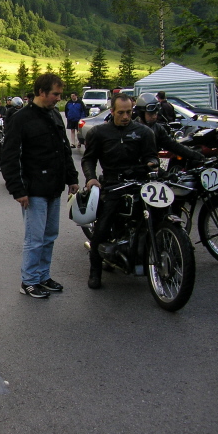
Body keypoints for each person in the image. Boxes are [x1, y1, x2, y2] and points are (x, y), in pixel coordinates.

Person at [0, 73, 79, 298]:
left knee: (50, 235)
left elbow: (64, 149)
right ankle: (29, 281)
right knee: (35, 239)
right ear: (41, 92)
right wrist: (18, 189)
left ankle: (43, 276)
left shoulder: (54, 115)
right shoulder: (21, 118)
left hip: (54, 187)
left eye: (60, 94)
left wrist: (71, 178)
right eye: (55, 94)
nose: (58, 98)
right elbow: (9, 156)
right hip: (33, 190)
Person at [81, 93, 159, 290]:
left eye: (129, 112)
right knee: (102, 227)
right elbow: (88, 159)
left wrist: (153, 163)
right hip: (113, 184)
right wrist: (91, 178)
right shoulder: (99, 133)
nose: (126, 116)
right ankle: (95, 271)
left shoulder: (144, 132)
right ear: (113, 111)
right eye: (121, 112)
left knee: (160, 213)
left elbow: (152, 155)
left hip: (140, 182)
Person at [134, 93, 205, 164]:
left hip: (152, 167)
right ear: (141, 113)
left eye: (156, 113)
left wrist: (198, 157)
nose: (154, 117)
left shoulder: (157, 128)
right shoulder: (132, 129)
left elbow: (173, 145)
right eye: (151, 114)